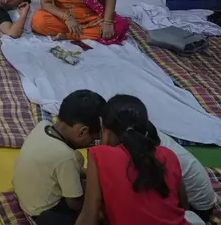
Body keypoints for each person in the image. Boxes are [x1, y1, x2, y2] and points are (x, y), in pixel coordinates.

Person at [77, 95, 205, 225]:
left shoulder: (99, 155)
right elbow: (183, 206)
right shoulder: (168, 155)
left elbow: (89, 216)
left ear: (104, 128)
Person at [12, 90, 106, 225]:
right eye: (93, 139)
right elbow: (74, 204)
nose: (92, 143)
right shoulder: (66, 157)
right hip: (41, 212)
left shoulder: (43, 125)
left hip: (27, 197)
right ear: (82, 132)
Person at [147, 122, 216, 223]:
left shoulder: (164, 157)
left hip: (197, 209)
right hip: (190, 200)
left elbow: (180, 191)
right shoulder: (153, 136)